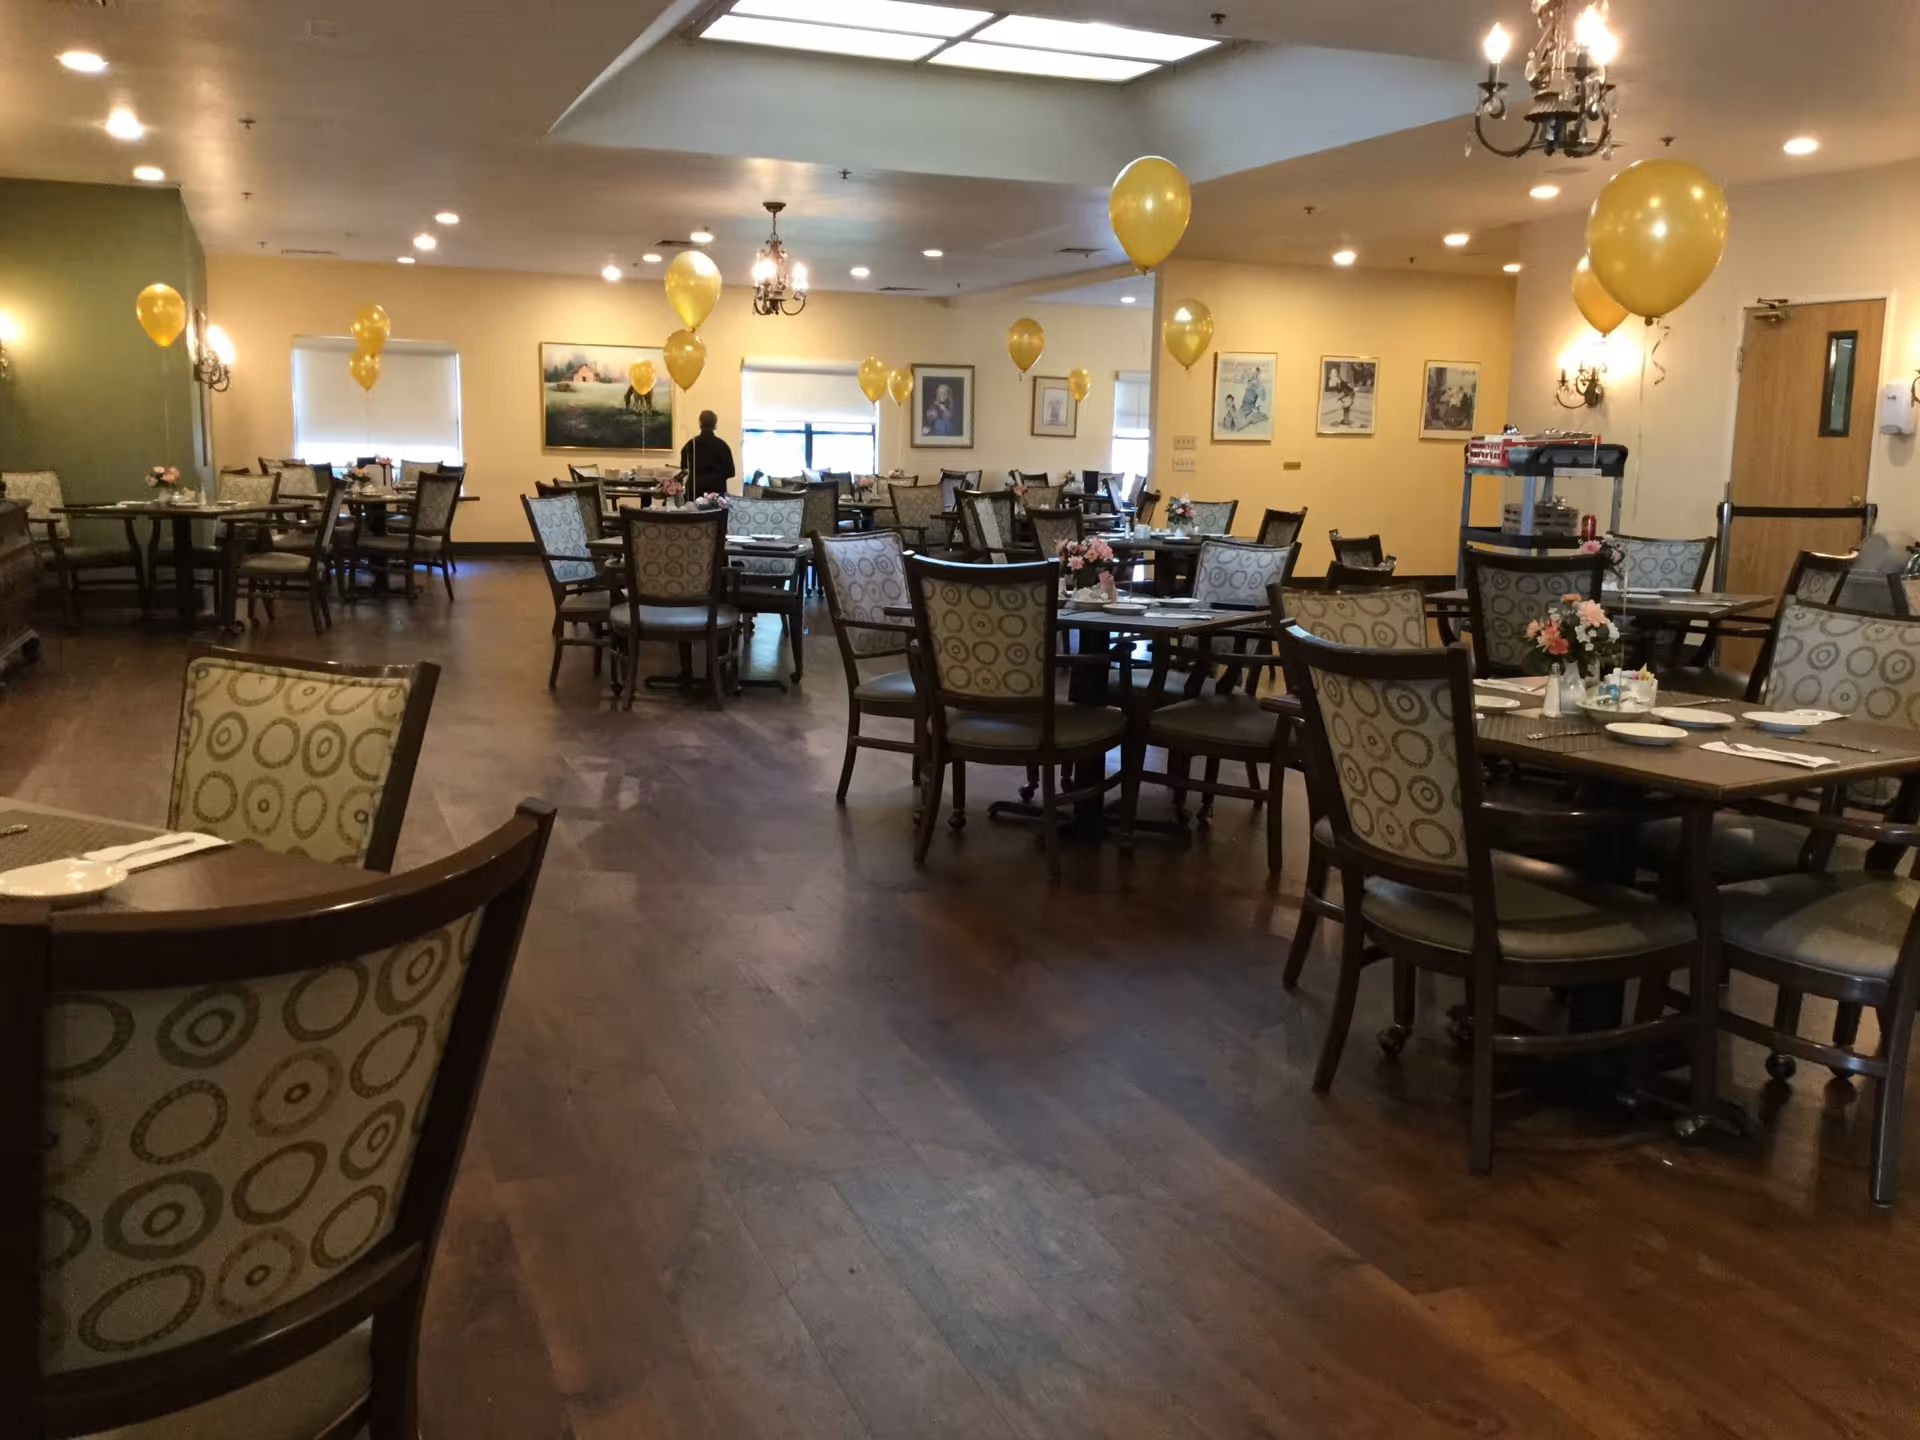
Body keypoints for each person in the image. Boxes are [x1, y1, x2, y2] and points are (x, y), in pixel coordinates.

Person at [679, 410, 736, 497]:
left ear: (700, 423)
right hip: (716, 491)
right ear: (715, 425)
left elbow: (684, 469)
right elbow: (731, 472)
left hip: (694, 491)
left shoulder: (690, 444)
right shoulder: (722, 446)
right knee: (715, 511)